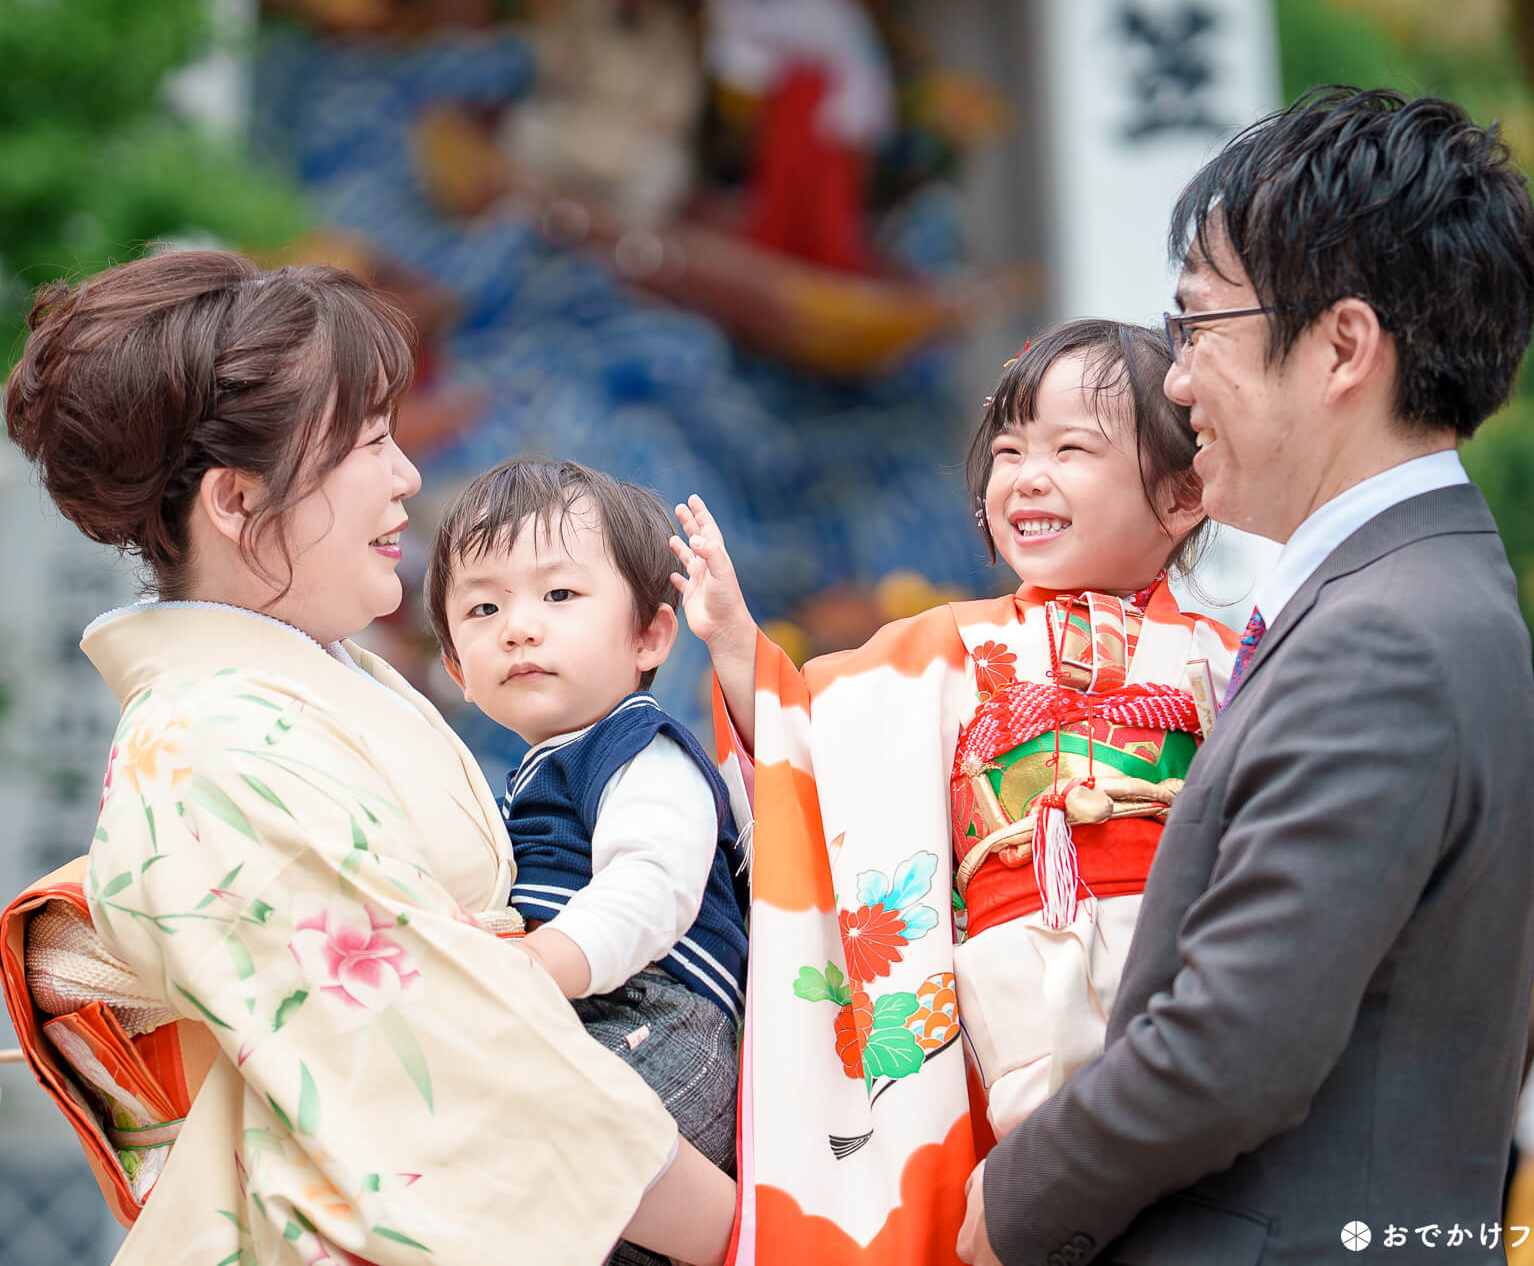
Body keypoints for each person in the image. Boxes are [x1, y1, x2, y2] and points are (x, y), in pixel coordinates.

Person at [0, 249, 735, 1266]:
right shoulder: (213, 746)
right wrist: (753, 1234)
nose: (407, 477)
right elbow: (459, 1069)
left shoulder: (293, 691)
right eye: (372, 442)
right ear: (236, 500)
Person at [960, 87, 1534, 1266]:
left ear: (1340, 347)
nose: (1175, 383)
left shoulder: (1382, 632)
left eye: (1197, 329)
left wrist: (1007, 1203)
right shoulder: (1418, 587)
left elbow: (1230, 1048)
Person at [670, 319, 1238, 1263]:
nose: (1027, 475)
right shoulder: (939, 649)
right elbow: (807, 749)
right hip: (1004, 1017)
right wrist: (737, 645)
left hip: (1181, 985)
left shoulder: (1232, 659)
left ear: (1182, 495)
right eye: (1008, 450)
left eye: (1070, 448)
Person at [423, 456, 747, 1211]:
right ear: (456, 669)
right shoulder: (524, 777)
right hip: (584, 1022)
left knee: (504, 1176)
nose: (519, 629)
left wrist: (536, 965)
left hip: (658, 1024)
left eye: (560, 594)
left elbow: (651, 887)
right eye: (482, 611)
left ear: (649, 637)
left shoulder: (643, 750)